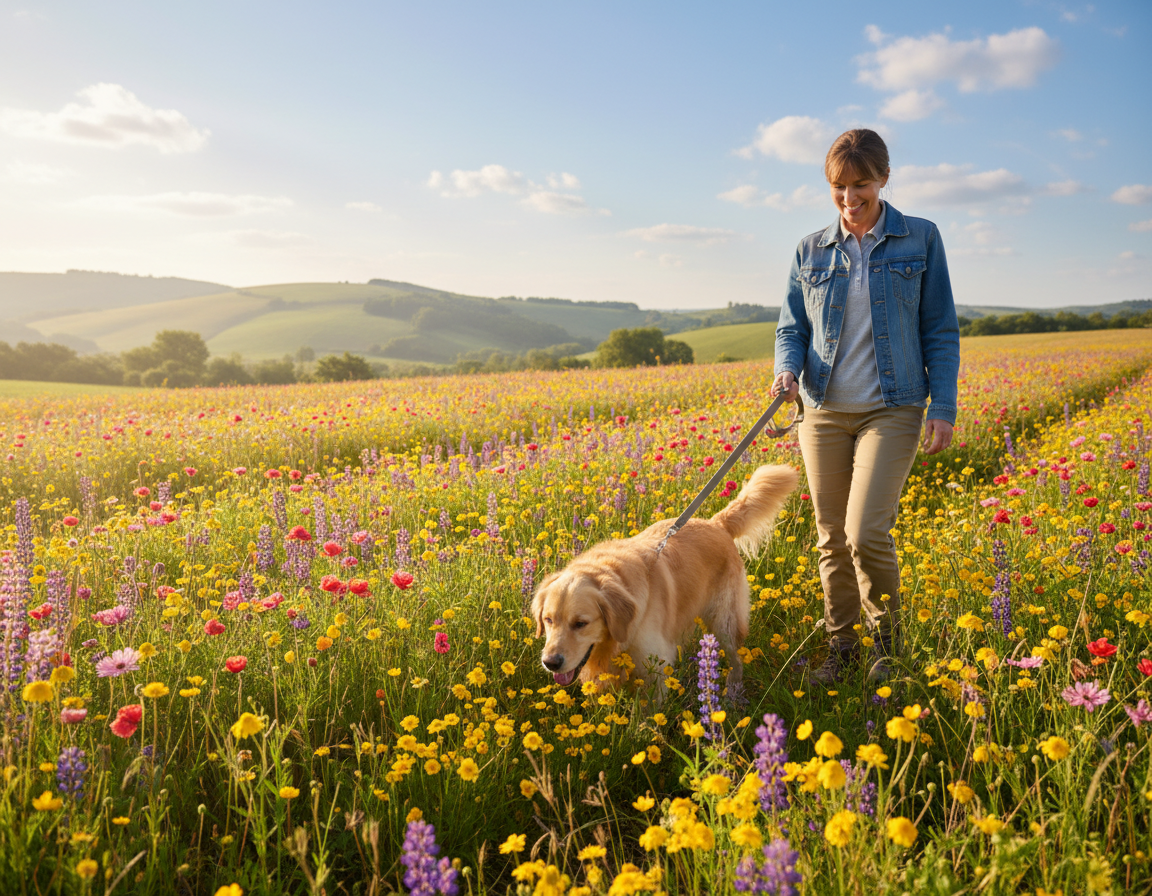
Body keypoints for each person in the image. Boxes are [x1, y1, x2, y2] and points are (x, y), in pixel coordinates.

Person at [770, 128, 959, 685]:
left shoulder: (920, 238)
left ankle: (887, 647)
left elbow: (940, 329)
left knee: (864, 531)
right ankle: (842, 649)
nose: (850, 199)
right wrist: (786, 369)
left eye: (861, 186)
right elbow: (791, 327)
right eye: (839, 188)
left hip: (892, 407)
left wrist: (942, 405)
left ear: (884, 177)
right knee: (830, 535)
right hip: (823, 407)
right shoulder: (810, 249)